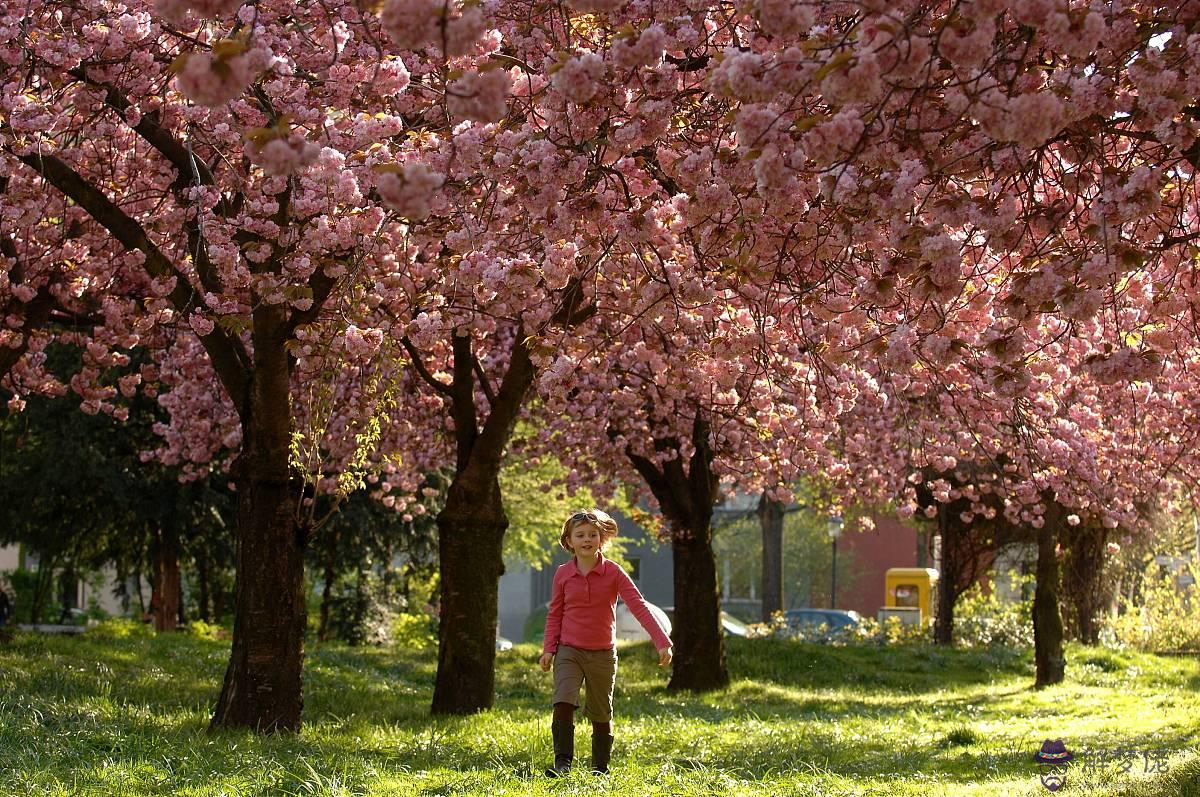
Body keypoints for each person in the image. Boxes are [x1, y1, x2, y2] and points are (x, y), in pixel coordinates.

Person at [539, 509, 673, 776]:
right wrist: (548, 649)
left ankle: (600, 768)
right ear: (569, 541)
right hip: (569, 650)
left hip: (602, 654)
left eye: (593, 534)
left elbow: (639, 607)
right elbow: (555, 613)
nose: (587, 539)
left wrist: (662, 641)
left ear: (602, 539)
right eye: (580, 535)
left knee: (601, 712)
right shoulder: (563, 574)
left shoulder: (614, 572)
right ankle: (562, 762)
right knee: (563, 700)